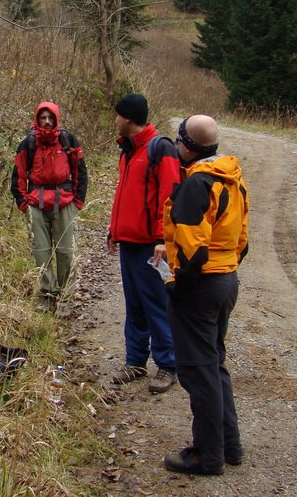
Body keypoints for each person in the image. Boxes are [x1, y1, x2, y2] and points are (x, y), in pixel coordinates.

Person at [161, 114, 249, 475]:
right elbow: (242, 239)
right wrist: (223, 267)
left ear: (186, 145)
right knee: (213, 365)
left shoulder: (197, 183)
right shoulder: (232, 178)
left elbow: (193, 248)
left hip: (200, 286)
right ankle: (229, 446)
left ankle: (206, 455)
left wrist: (179, 285)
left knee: (198, 371)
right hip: (226, 279)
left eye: (178, 140)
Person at [106, 93, 180, 394]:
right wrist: (114, 230)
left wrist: (163, 239)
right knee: (134, 303)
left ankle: (168, 365)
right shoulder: (128, 151)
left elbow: (170, 196)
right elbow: (124, 194)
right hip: (129, 242)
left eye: (117, 115)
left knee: (156, 305)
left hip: (152, 245)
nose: (114, 120)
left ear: (127, 118)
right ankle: (135, 360)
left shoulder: (160, 149)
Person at [11, 102, 88, 313]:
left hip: (64, 203)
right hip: (36, 203)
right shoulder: (28, 143)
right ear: (37, 119)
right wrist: (23, 203)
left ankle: (66, 299)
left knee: (66, 252)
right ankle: (47, 295)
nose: (47, 121)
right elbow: (18, 173)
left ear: (56, 119)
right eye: (43, 117)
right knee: (41, 252)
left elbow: (80, 171)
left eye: (50, 118)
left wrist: (77, 201)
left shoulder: (68, 140)